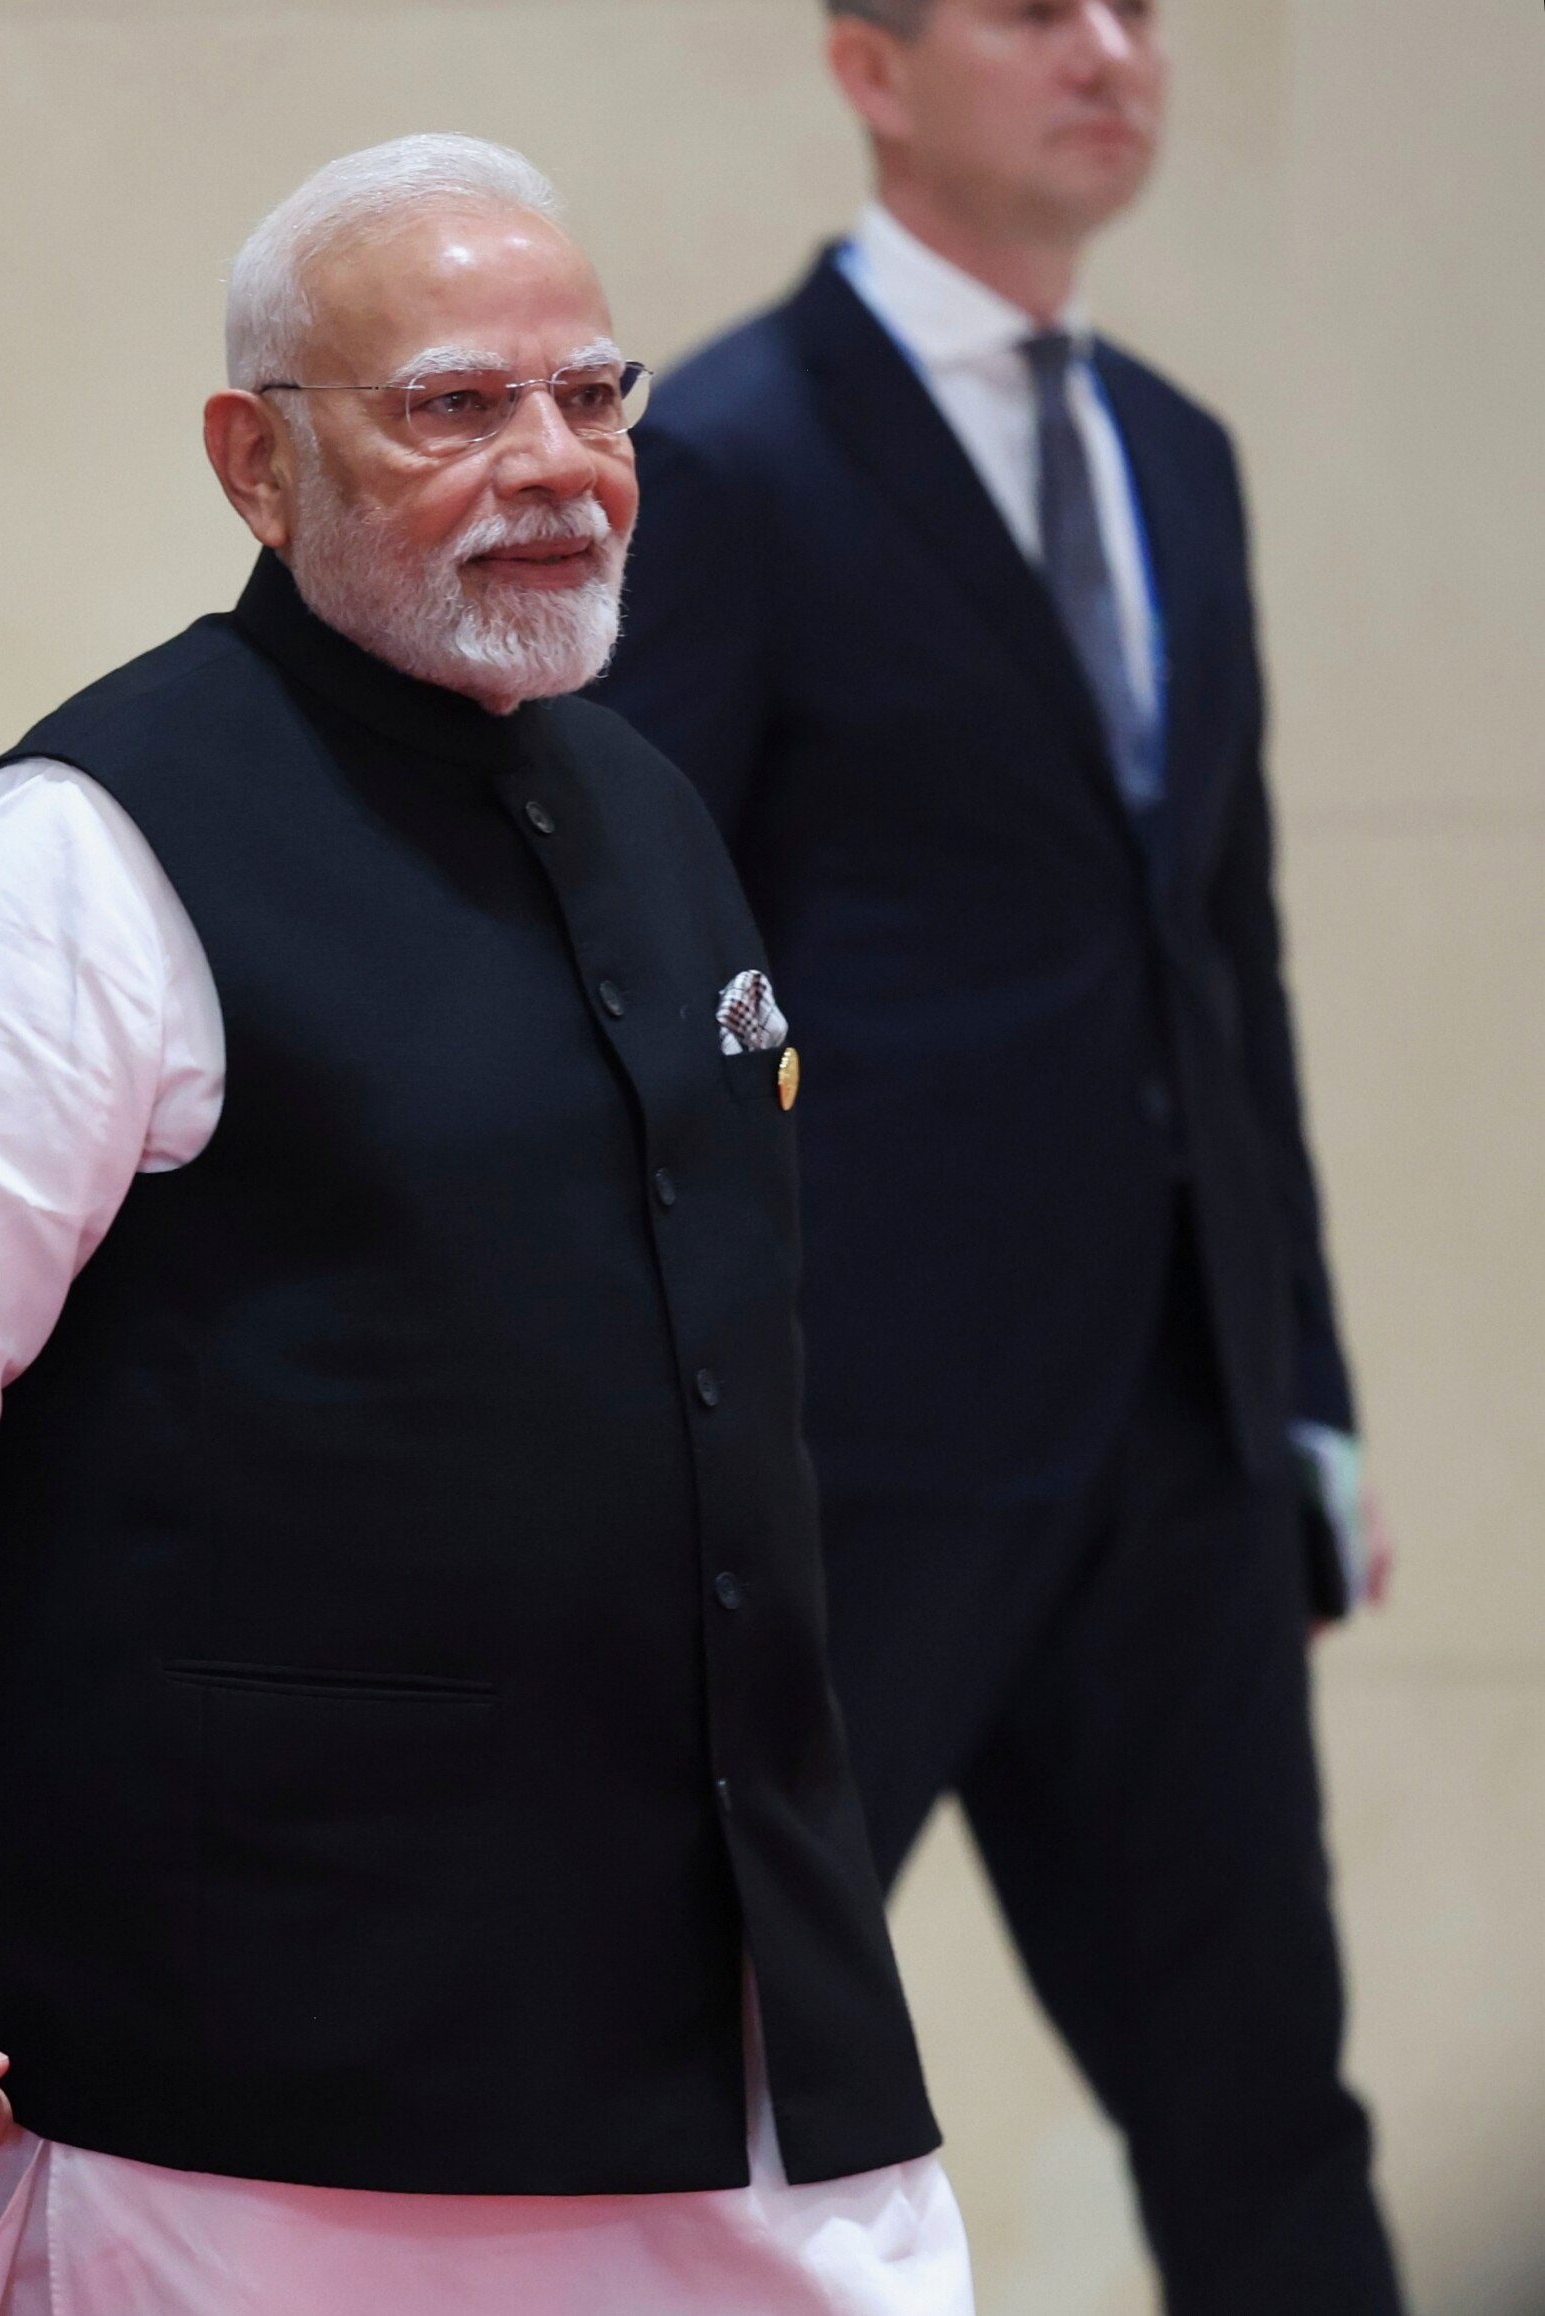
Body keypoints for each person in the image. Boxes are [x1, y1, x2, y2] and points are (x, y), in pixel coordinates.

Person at [0, 135, 973, 2316]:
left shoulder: (655, 809)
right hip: (238, 2074)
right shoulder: (83, 842)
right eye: (452, 406)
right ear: (251, 458)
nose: (553, 465)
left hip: (735, 2058)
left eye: (593, 400)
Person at [588, 6, 1401, 2311]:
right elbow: (648, 977)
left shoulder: (1177, 452)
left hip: (1182, 1441)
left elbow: (1218, 963)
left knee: (1264, 2107)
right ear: (866, 62)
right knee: (716, 2105)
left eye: (1136, 11)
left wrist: (1302, 1377)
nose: (1109, 50)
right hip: (856, 1455)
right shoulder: (728, 454)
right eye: (1034, 9)